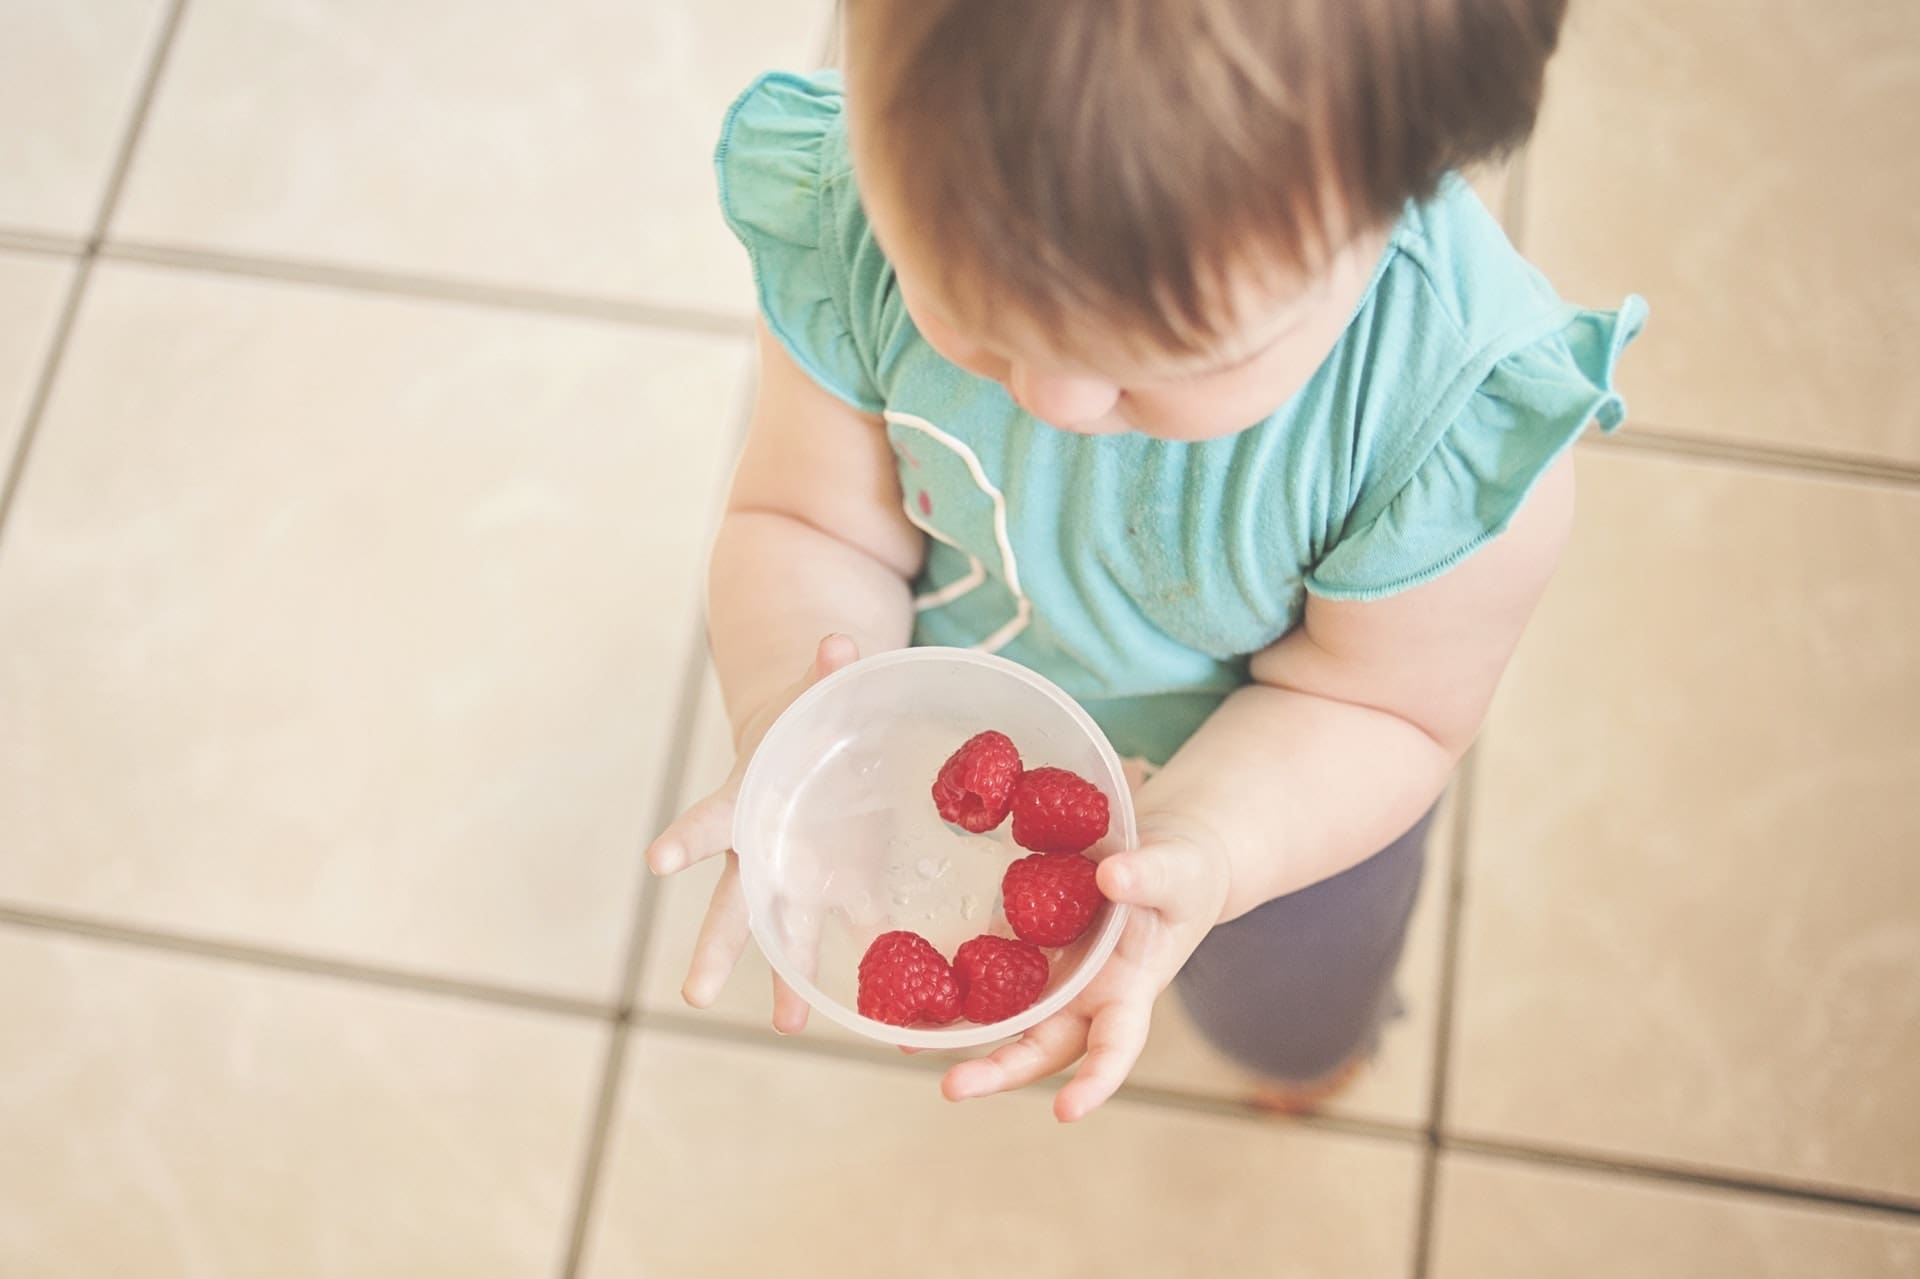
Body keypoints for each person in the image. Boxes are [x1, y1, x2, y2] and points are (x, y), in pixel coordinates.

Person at [645, 0, 1644, 1122]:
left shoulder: (1445, 418)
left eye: (1160, 362)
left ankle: (1305, 1056)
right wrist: (795, 716)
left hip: (1285, 795)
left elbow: (1386, 708)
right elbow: (812, 522)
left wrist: (1214, 845)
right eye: (973, 312)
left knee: (1290, 999)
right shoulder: (866, 215)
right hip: (979, 719)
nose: (1053, 398)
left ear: (1404, 185)